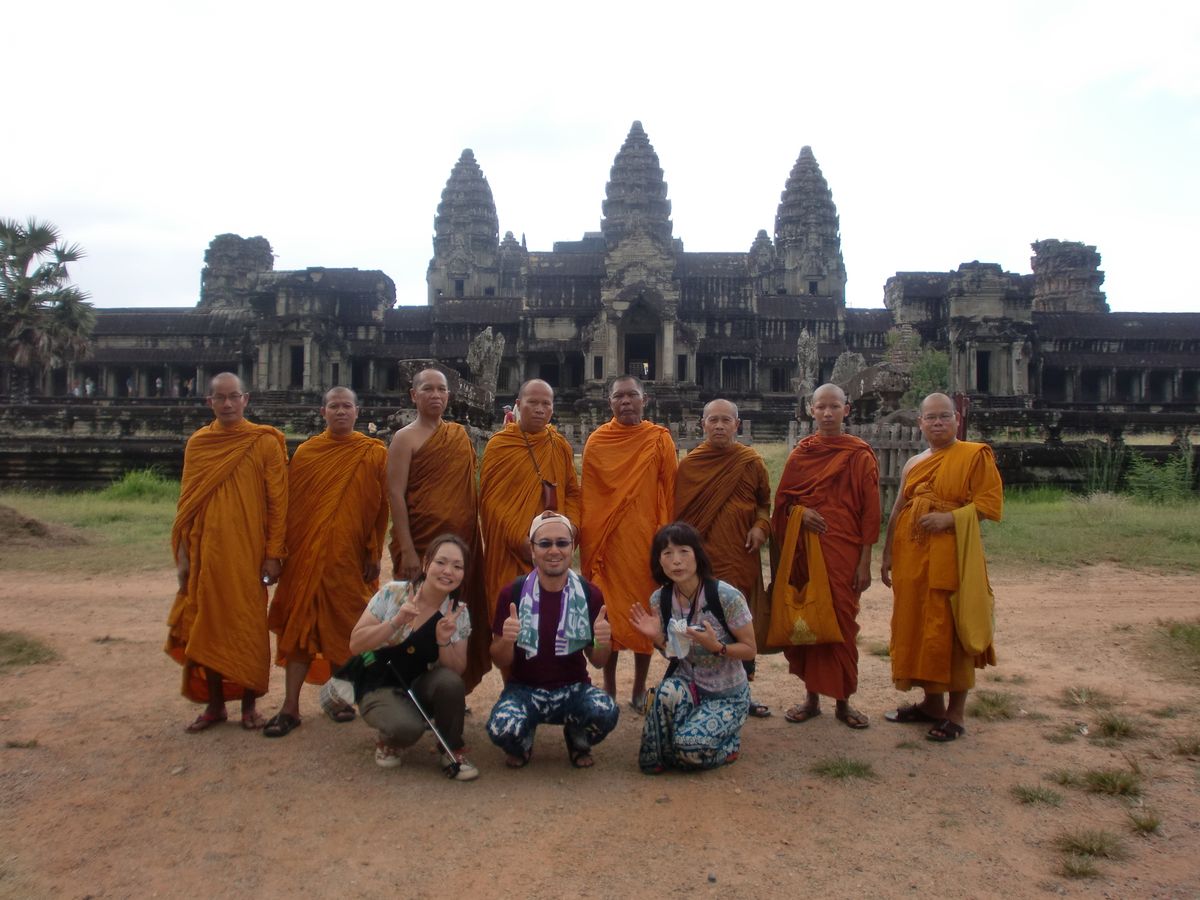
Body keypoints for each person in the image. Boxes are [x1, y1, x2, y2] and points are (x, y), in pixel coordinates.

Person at [263, 387, 389, 738]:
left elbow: (380, 508)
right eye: (334, 406)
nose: (341, 411)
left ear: (358, 411)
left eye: (347, 406)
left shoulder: (373, 453)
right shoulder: (307, 453)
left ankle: (337, 697)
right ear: (323, 412)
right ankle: (289, 707)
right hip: (305, 557)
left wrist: (374, 551)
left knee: (346, 628)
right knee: (299, 628)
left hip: (349, 558)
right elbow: (291, 507)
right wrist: (279, 552)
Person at [165, 372, 287, 732]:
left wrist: (274, 553)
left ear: (246, 399)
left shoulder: (264, 442)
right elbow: (187, 504)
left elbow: (278, 502)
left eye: (235, 396)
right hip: (207, 551)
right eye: (221, 398)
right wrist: (184, 556)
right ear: (210, 402)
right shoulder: (199, 444)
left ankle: (249, 705)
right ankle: (215, 704)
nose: (228, 404)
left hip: (249, 553)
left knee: (247, 627)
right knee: (209, 625)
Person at [881, 392, 1003, 742]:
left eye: (944, 416)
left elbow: (989, 504)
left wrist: (950, 519)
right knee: (918, 625)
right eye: (931, 417)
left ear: (956, 420)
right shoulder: (914, 463)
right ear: (920, 422)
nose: (938, 422)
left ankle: (956, 713)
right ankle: (932, 704)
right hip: (912, 557)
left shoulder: (974, 455)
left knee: (951, 628)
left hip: (954, 556)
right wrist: (887, 553)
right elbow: (899, 508)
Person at [771, 383, 881, 729]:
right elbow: (783, 505)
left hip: (844, 552)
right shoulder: (801, 455)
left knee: (842, 624)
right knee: (809, 619)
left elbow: (870, 512)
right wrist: (800, 514)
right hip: (806, 552)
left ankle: (844, 701)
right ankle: (811, 699)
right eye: (821, 407)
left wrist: (865, 561)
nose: (828, 413)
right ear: (811, 410)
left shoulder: (859, 455)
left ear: (847, 410)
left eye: (835, 407)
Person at [486, 512, 618, 768]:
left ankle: (576, 735)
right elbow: (500, 660)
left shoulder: (589, 594)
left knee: (605, 712)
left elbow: (599, 662)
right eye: (545, 543)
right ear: (532, 550)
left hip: (574, 689)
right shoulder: (513, 593)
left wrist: (602, 642)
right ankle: (523, 738)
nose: (554, 550)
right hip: (524, 689)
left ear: (572, 548)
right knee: (502, 729)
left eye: (562, 543)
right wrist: (507, 640)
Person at [386, 367, 490, 690]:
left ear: (449, 395)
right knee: (416, 615)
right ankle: (412, 689)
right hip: (421, 543)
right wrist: (407, 549)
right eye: (427, 389)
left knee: (455, 615)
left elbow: (468, 493)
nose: (435, 395)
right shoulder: (404, 438)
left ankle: (449, 689)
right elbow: (395, 495)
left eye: (441, 389)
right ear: (413, 395)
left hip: (460, 546)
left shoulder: (459, 436)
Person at [346, 535, 479, 780]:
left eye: (457, 566)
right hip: (379, 682)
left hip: (417, 684)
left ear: (464, 573)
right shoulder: (394, 593)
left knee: (449, 683)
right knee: (407, 729)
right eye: (441, 562)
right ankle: (389, 738)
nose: (448, 571)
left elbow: (456, 671)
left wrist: (443, 641)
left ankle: (451, 748)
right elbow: (356, 644)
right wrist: (395, 622)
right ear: (426, 563)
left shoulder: (457, 612)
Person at [580, 374, 676, 711]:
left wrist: (664, 542)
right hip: (607, 544)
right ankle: (608, 688)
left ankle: (638, 689)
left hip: (645, 542)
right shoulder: (597, 441)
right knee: (609, 617)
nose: (625, 402)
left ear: (644, 400)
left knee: (642, 616)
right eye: (618, 396)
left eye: (632, 395)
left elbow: (669, 490)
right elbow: (590, 498)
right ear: (609, 402)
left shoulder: (659, 439)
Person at [631, 522, 757, 773]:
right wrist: (657, 638)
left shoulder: (726, 596)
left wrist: (718, 647)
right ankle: (680, 741)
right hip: (688, 687)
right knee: (663, 702)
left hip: (727, 695)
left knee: (688, 750)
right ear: (659, 561)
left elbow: (750, 649)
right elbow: (674, 653)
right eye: (667, 554)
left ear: (697, 555)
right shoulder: (660, 599)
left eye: (683, 552)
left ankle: (729, 743)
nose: (676, 561)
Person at [674, 398, 772, 717]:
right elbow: (680, 518)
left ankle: (742, 690)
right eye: (713, 420)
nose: (719, 426)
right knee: (701, 623)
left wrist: (760, 526)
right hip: (702, 563)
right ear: (702, 424)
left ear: (737, 425)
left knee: (740, 622)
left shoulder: (751, 462)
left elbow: (764, 504)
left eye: (725, 420)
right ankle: (698, 688)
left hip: (740, 556)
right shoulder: (689, 467)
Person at [479, 379, 581, 620]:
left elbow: (572, 492)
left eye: (546, 404)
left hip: (554, 547)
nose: (539, 409)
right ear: (518, 404)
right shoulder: (500, 446)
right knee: (510, 621)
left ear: (552, 408)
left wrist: (572, 530)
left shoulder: (559, 445)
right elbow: (491, 503)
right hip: (512, 548)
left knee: (553, 622)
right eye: (532, 402)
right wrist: (522, 541)